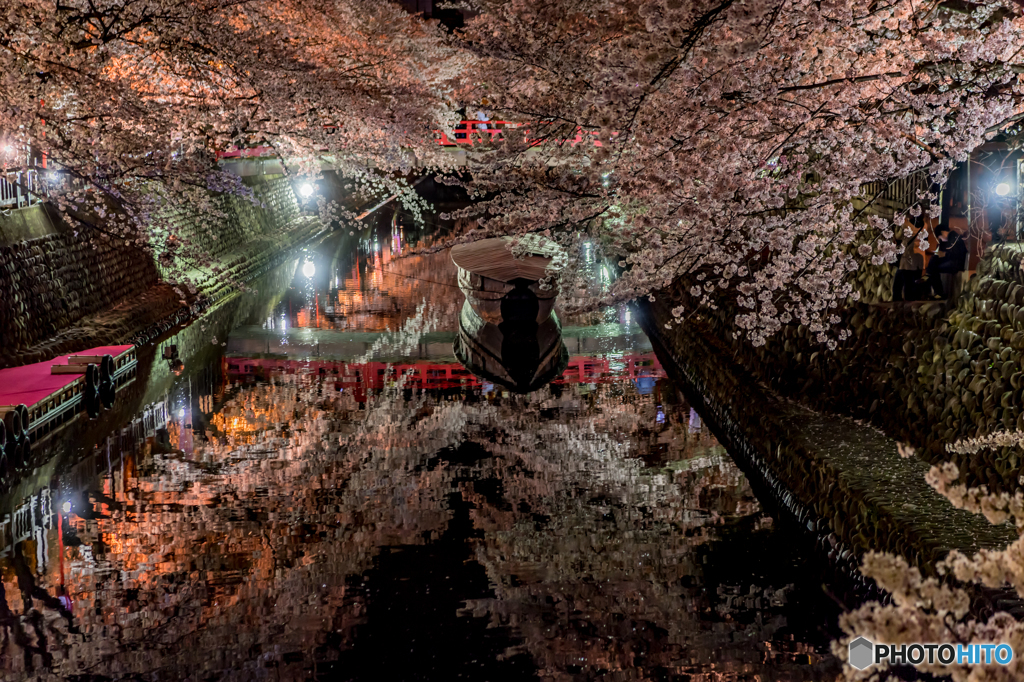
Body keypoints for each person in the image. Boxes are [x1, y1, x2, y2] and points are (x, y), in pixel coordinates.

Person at [923, 224, 967, 299]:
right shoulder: (950, 238)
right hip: (952, 261)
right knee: (934, 259)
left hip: (957, 263)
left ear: (942, 232)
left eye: (940, 237)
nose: (941, 239)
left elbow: (955, 253)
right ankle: (928, 276)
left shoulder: (953, 237)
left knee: (934, 268)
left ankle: (936, 289)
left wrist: (944, 254)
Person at [893, 215, 926, 301]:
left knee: (900, 282)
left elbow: (897, 236)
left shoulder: (905, 225)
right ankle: (914, 299)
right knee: (914, 281)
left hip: (907, 257)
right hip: (919, 257)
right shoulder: (924, 225)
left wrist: (897, 225)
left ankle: (901, 301)